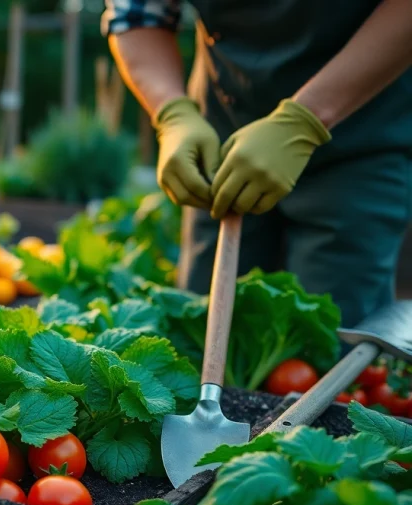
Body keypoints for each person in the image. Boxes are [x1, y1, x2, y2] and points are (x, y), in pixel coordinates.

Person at [103, 0, 412, 327]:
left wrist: (303, 122)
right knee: (202, 323)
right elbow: (136, 15)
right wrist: (172, 112)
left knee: (334, 335)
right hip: (221, 140)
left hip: (359, 134)